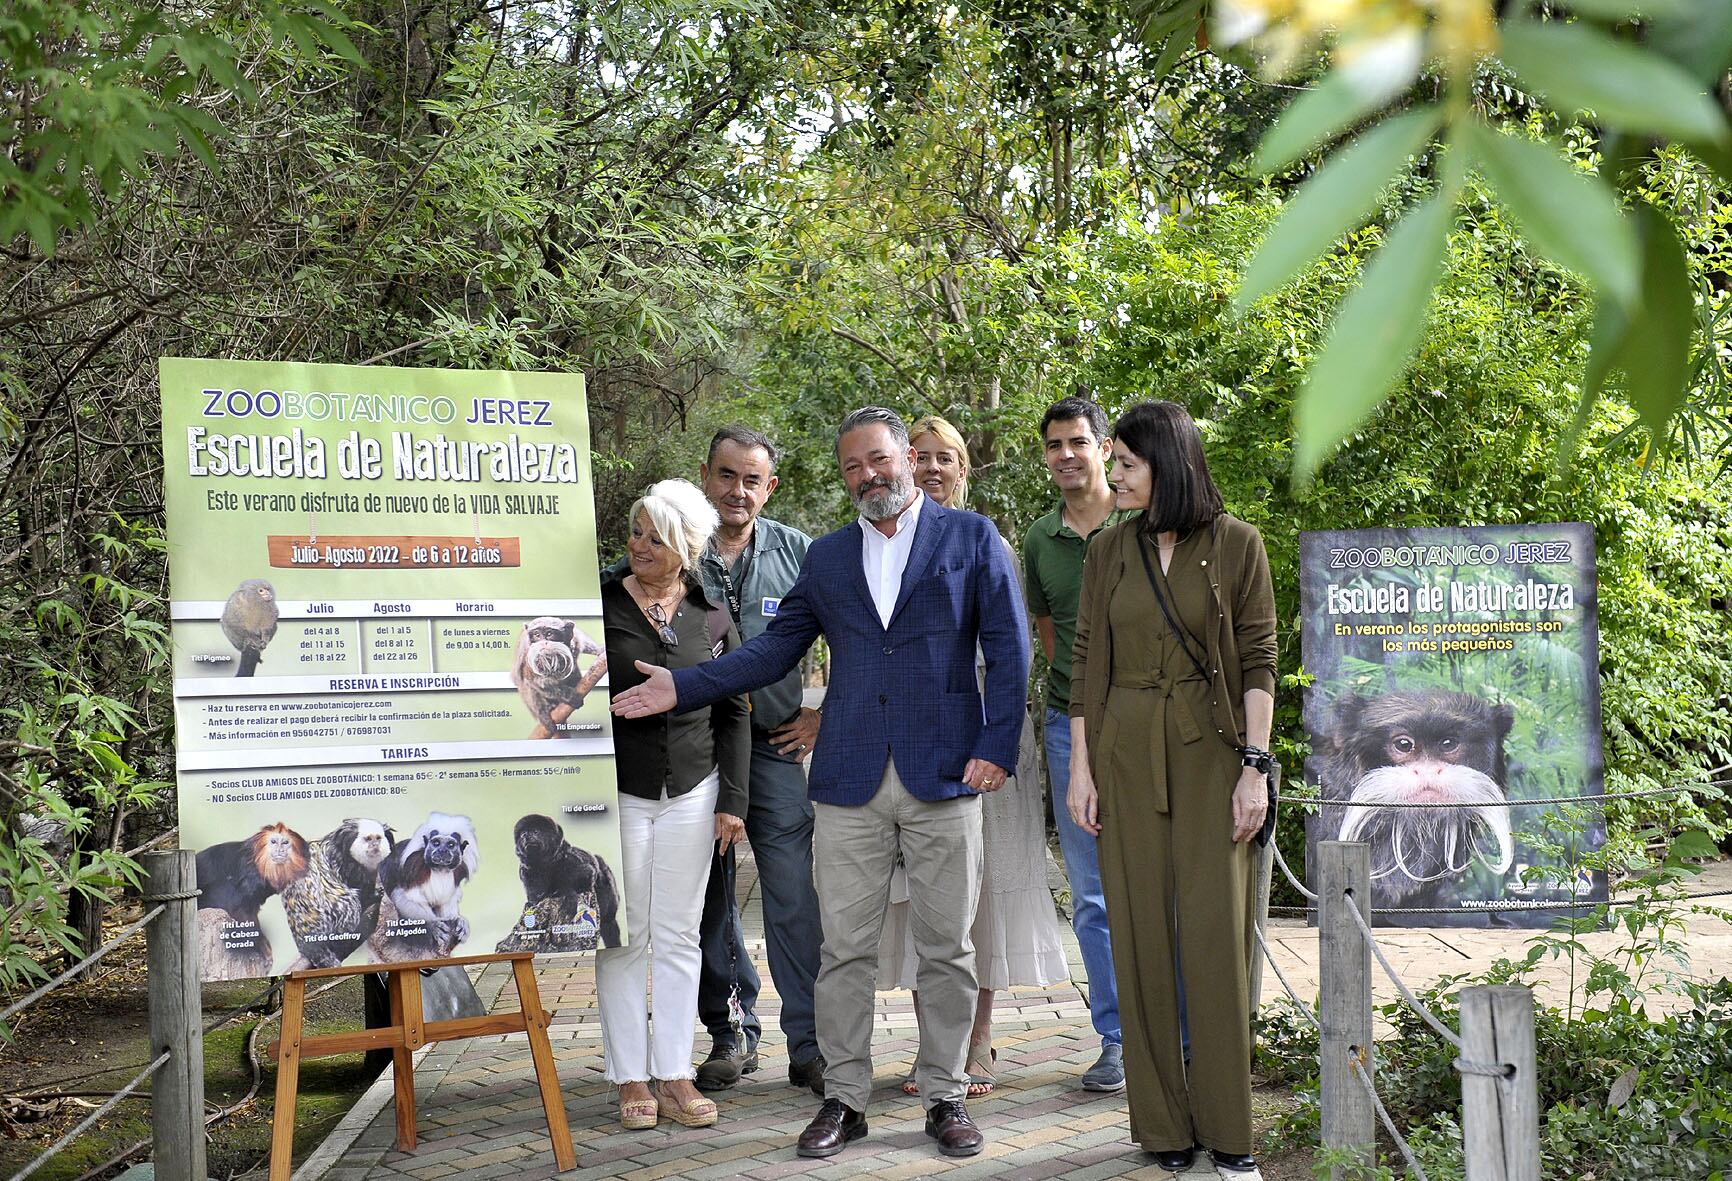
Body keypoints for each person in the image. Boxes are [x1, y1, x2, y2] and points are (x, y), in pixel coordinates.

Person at [611, 406, 1031, 1161]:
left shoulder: (973, 539)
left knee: (947, 947)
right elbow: (774, 649)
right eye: (851, 467)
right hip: (848, 779)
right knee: (843, 950)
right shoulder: (830, 557)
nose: (868, 476)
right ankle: (844, 1097)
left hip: (947, 773)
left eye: (878, 459)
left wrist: (996, 746)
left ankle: (943, 1095)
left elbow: (1008, 645)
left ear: (905, 455)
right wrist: (685, 686)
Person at [1067, 401, 1276, 1175]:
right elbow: (1087, 662)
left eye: (1124, 463)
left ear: (1168, 466)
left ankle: (1230, 1133)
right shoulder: (1106, 552)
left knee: (1215, 940)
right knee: (1138, 934)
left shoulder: (1237, 545)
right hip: (1121, 753)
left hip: (1210, 755)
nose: (1111, 474)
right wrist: (1081, 768)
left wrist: (1253, 767)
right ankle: (1164, 1130)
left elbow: (1258, 660)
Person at [875, 414, 1067, 1098]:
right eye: (919, 456)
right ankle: (934, 1046)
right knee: (922, 894)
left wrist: (994, 743)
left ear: (963, 469)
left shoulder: (988, 541)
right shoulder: (886, 542)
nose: (931, 467)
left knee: (978, 894)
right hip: (911, 744)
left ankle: (977, 1043)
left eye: (944, 458)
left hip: (985, 737)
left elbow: (1014, 652)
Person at [599, 478, 750, 1131]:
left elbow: (735, 711)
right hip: (617, 794)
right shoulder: (600, 605)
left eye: (655, 536)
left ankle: (675, 1073)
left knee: (681, 933)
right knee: (625, 936)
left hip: (694, 792)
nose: (640, 545)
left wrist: (733, 801)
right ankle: (630, 1075)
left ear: (684, 544)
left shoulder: (712, 615)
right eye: (635, 532)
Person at [687, 426, 826, 1094]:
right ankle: (731, 1031)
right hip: (693, 754)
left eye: (752, 480)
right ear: (705, 476)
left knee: (793, 898)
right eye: (726, 476)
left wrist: (822, 714)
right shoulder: (676, 549)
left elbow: (855, 635)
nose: (737, 492)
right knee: (710, 900)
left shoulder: (801, 552)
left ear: (770, 487)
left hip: (772, 747)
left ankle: (812, 1041)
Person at [1020, 395, 1130, 1092]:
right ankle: (1116, 1038)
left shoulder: (1143, 520)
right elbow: (1051, 634)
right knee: (1091, 892)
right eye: (1054, 444)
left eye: (1077, 442)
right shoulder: (1039, 539)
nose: (1065, 454)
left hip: (1146, 726)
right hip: (1069, 725)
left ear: (1104, 446)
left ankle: (1177, 1032)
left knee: (1159, 882)